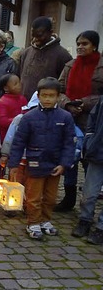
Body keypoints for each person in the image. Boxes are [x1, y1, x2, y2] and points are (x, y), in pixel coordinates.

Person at [7, 77, 75, 240]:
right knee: (34, 196)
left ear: (58, 96)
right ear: (38, 95)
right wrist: (14, 164)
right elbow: (19, 142)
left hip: (55, 165)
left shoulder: (65, 117)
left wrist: (64, 163)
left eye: (51, 96)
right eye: (44, 95)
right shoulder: (29, 117)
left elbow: (69, 143)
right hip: (35, 163)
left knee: (51, 197)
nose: (47, 99)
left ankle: (46, 220)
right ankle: (33, 222)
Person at [56, 30, 102, 212]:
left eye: (85, 44)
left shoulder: (101, 66)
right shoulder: (69, 65)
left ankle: (88, 201)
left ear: (95, 46)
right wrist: (67, 104)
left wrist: (85, 103)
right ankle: (69, 198)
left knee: (89, 160)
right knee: (70, 158)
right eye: (79, 44)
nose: (80, 47)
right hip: (70, 118)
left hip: (93, 120)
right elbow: (58, 90)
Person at [71, 91, 103, 244]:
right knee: (89, 192)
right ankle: (85, 219)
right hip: (99, 152)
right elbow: (93, 120)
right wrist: (90, 138)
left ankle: (101, 228)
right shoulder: (101, 101)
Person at [19, 16, 72, 100]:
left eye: (39, 36)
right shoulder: (26, 52)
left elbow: (64, 86)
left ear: (50, 32)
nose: (35, 39)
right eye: (33, 36)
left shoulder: (63, 55)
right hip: (24, 104)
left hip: (47, 104)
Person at [0, 73, 27, 143]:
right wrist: (19, 120)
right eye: (15, 84)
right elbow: (2, 121)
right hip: (7, 136)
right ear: (6, 88)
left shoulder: (22, 99)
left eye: (19, 83)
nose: (19, 86)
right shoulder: (2, 102)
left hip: (21, 133)